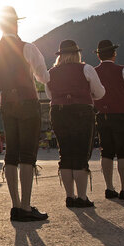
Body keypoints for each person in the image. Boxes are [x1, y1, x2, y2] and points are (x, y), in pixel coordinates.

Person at [0, 6, 49, 221]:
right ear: (16, 24)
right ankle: (25, 205)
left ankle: (15, 205)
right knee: (27, 155)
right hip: (28, 100)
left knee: (11, 153)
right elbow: (43, 76)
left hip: (7, 102)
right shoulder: (28, 47)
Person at [45, 40, 105, 208]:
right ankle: (82, 197)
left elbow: (50, 96)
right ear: (77, 53)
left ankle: (69, 196)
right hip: (81, 111)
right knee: (80, 154)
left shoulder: (51, 72)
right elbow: (99, 92)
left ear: (60, 55)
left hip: (58, 112)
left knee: (65, 153)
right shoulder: (86, 68)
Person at [92, 40, 124, 200]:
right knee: (123, 152)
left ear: (98, 55)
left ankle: (109, 188)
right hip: (121, 114)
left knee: (106, 152)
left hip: (102, 114)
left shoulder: (93, 71)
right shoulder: (123, 70)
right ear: (114, 53)